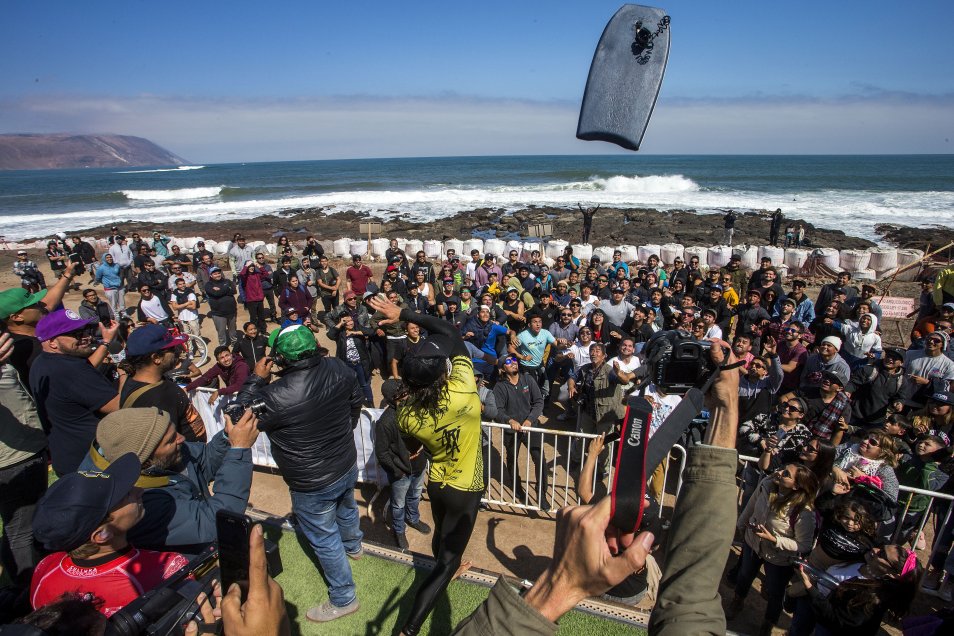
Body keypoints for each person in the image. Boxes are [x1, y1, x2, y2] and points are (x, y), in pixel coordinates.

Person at [365, 295, 484, 636]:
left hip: (439, 485)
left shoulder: (405, 414)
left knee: (443, 546)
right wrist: (402, 313)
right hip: (466, 489)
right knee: (448, 564)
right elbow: (449, 330)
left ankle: (442, 566)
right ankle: (410, 628)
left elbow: (416, 447)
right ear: (442, 375)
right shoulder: (464, 388)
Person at [236, 324, 365, 623]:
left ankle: (344, 597)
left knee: (324, 537)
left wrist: (256, 377)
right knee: (346, 507)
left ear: (280, 358)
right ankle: (355, 546)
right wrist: (343, 433)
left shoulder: (272, 395)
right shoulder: (338, 366)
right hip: (345, 461)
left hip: (310, 481)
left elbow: (236, 415)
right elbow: (355, 403)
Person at [29, 453, 189, 618]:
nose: (139, 490)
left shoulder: (45, 568)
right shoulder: (167, 569)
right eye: (125, 495)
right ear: (101, 535)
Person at [80, 405, 257, 553]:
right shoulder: (135, 501)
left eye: (175, 432)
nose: (182, 439)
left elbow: (204, 461)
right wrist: (239, 449)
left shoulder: (163, 454)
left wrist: (226, 437)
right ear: (145, 459)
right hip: (184, 571)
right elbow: (214, 521)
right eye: (170, 440)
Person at [727, 463, 818, 635]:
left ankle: (768, 623)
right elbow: (752, 504)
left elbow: (804, 544)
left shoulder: (803, 511)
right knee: (745, 576)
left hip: (779, 558)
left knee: (775, 591)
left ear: (797, 485)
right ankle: (737, 602)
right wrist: (741, 524)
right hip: (752, 543)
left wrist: (774, 539)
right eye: (782, 469)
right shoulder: (767, 484)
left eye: (786, 474)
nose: (778, 472)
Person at [29, 309, 120, 476]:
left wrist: (106, 342)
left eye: (85, 330)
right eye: (75, 334)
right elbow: (119, 405)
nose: (86, 336)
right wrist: (126, 375)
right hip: (93, 462)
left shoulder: (42, 362)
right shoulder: (70, 369)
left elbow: (85, 373)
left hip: (69, 457)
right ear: (53, 342)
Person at [794, 544, 922, 636]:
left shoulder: (872, 599)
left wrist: (810, 588)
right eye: (882, 547)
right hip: (820, 614)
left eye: (882, 554)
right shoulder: (863, 559)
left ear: (894, 574)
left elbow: (836, 620)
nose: (875, 550)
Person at [121, 324, 206, 441]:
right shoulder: (159, 397)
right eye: (172, 349)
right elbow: (167, 445)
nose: (177, 352)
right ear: (156, 357)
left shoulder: (132, 381)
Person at [374, 380, 431, 551]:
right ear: (392, 399)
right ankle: (399, 530)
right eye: (401, 396)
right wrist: (396, 471)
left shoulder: (415, 409)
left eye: (407, 393)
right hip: (400, 471)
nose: (406, 397)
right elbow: (382, 453)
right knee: (398, 504)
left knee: (415, 495)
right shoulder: (385, 422)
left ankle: (413, 518)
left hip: (418, 464)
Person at [493, 356, 549, 511]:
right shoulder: (500, 387)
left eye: (514, 361)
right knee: (512, 459)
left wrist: (530, 420)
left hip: (531, 427)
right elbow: (498, 410)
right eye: (508, 362)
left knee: (539, 458)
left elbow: (538, 401)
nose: (513, 363)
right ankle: (517, 486)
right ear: (503, 368)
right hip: (512, 430)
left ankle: (541, 493)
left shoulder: (527, 379)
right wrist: (509, 420)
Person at [846, 347, 906, 428]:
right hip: (854, 414)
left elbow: (900, 397)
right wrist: (848, 391)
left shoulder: (902, 381)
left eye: (894, 358)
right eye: (888, 356)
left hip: (876, 421)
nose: (890, 359)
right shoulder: (869, 369)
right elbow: (853, 383)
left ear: (901, 363)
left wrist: (899, 403)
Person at [328, 313, 374, 405]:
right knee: (349, 384)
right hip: (347, 364)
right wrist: (340, 323)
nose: (350, 323)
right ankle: (354, 403)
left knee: (364, 384)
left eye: (351, 320)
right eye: (346, 321)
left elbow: (371, 332)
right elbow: (330, 335)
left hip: (360, 362)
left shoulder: (357, 328)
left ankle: (370, 402)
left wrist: (355, 332)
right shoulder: (340, 333)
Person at [184, 345, 250, 407]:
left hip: (247, 396)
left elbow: (239, 385)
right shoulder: (219, 366)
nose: (226, 359)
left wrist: (219, 392)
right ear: (218, 361)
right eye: (222, 358)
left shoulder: (241, 366)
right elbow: (204, 378)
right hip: (233, 395)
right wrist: (186, 388)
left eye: (227, 355)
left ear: (231, 355)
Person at [204, 267, 238, 347]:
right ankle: (223, 346)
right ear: (211, 275)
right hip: (218, 313)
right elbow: (215, 294)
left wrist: (220, 290)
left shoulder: (227, 281)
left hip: (231, 311)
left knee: (233, 330)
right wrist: (227, 289)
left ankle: (235, 344)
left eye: (218, 273)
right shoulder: (208, 284)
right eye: (215, 274)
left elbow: (234, 291)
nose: (217, 275)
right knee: (221, 332)